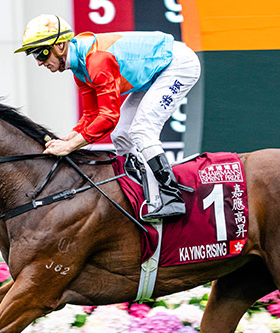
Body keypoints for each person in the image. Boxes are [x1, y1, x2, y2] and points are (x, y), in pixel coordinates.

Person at [15, 14, 201, 220]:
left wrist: (70, 146)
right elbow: (91, 114)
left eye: (40, 54)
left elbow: (108, 117)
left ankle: (172, 197)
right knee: (121, 134)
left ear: (60, 46)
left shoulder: (97, 60)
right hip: (156, 71)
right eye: (33, 56)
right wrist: (68, 138)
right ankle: (142, 194)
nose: (39, 63)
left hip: (178, 64)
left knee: (142, 130)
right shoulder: (79, 68)